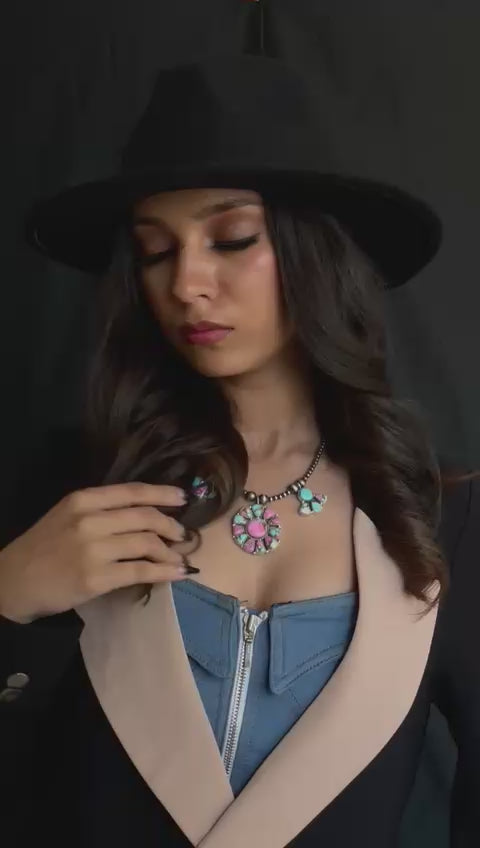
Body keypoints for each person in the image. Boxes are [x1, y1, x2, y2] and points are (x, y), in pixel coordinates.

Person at [0, 52, 479, 848]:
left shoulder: (444, 516)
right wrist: (7, 597)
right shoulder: (73, 487)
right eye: (156, 251)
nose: (186, 282)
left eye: (231, 238)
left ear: (315, 252)